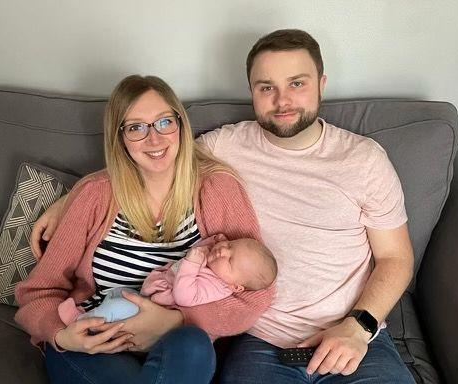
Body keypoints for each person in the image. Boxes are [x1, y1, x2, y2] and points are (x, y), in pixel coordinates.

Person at [32, 30, 416, 383]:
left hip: (351, 334)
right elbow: (152, 156)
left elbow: (396, 259)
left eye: (297, 83)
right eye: (266, 87)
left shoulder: (364, 160)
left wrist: (358, 326)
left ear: (322, 84)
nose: (282, 100)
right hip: (261, 342)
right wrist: (71, 198)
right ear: (251, 91)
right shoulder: (227, 146)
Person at [15, 75, 275, 384]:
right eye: (136, 127)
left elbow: (257, 294)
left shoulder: (218, 189)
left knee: (194, 345)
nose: (154, 139)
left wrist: (178, 320)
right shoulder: (95, 195)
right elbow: (38, 291)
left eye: (164, 122)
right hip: (95, 343)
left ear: (180, 125)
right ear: (119, 137)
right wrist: (62, 337)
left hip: (176, 346)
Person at [58, 234, 277, 327]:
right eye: (230, 245)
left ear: (235, 286)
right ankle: (92, 313)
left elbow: (185, 296)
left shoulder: (217, 287)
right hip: (145, 294)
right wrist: (216, 241)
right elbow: (206, 247)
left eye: (230, 260)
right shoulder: (212, 261)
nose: (223, 251)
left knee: (116, 306)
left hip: (153, 309)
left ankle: (80, 323)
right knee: (116, 292)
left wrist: (191, 264)